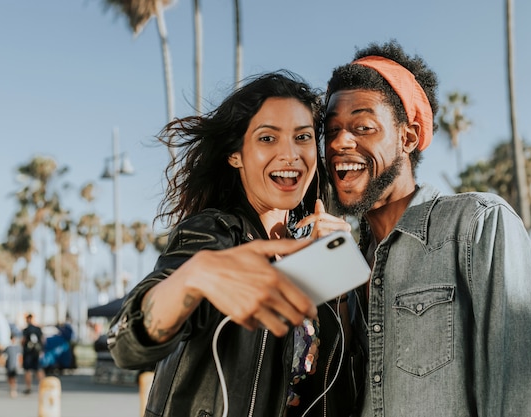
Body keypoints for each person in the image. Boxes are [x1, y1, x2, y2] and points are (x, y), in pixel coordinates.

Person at [322, 39, 531, 416]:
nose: (339, 142)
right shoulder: (344, 264)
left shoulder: (478, 225)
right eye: (331, 129)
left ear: (409, 136)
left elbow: (524, 399)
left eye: (362, 127)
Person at [108, 71, 357, 416]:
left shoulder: (311, 249)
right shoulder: (215, 234)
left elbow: (335, 378)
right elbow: (127, 345)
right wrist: (192, 276)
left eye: (302, 137)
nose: (290, 154)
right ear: (235, 155)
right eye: (268, 138)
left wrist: (340, 276)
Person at [21, 313, 44, 394]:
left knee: (28, 370)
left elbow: (23, 341)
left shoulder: (26, 330)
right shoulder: (38, 329)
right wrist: (41, 349)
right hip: (36, 352)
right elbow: (43, 340)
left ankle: (28, 387)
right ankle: (43, 386)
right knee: (39, 369)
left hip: (28, 353)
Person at [3, 334, 22, 398]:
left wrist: (19, 364)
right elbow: (4, 357)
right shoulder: (8, 347)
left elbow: (20, 357)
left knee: (13, 378)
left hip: (14, 365)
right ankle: (11, 389)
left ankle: (13, 390)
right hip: (9, 365)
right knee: (9, 378)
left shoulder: (17, 347)